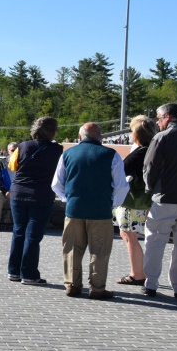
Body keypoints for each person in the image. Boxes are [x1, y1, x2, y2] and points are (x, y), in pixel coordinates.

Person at [51, 123, 128, 299]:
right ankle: (97, 288)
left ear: (80, 136)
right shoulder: (111, 155)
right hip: (100, 211)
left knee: (72, 248)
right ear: (100, 137)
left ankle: (72, 284)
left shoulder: (67, 154)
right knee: (99, 251)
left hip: (74, 209)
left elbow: (57, 183)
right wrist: (112, 203)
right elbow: (121, 186)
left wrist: (67, 199)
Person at [141, 103, 177, 298]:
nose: (157, 122)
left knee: (154, 242)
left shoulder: (161, 137)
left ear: (168, 117)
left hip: (163, 199)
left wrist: (149, 189)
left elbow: (150, 167)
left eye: (158, 118)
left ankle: (151, 284)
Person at [7, 116, 63, 286]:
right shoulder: (57, 150)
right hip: (41, 195)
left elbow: (12, 166)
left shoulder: (22, 146)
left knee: (18, 231)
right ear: (52, 131)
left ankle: (13, 271)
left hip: (18, 193)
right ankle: (29, 274)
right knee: (32, 235)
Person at [114, 115, 159, 286]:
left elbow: (121, 170)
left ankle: (137, 274)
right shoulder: (154, 149)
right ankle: (140, 272)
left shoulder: (140, 152)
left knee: (129, 235)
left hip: (133, 202)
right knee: (128, 235)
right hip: (146, 200)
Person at [0, 142, 18, 232]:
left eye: (17, 150)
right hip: (5, 189)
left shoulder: (23, 162)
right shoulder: (2, 163)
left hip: (19, 190)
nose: (15, 152)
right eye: (13, 150)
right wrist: (5, 191)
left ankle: (21, 225)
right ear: (8, 151)